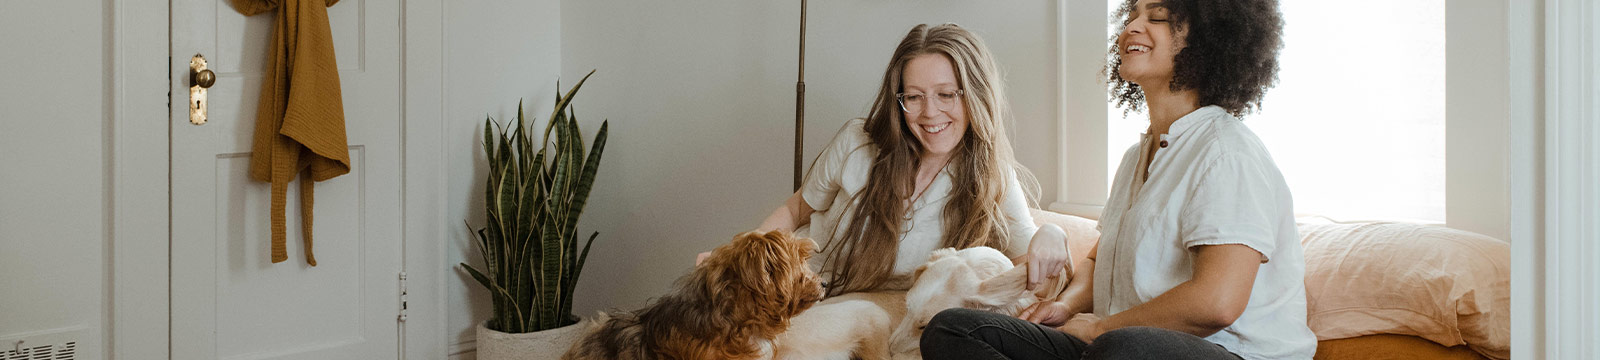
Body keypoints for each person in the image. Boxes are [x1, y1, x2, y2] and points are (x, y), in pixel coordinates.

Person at [920, 0, 1315, 359]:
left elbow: (1218, 301)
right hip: (1113, 347)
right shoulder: (1136, 157)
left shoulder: (1227, 152)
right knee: (953, 329)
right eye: (1132, 16)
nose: (1132, 28)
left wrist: (1100, 326)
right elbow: (1098, 257)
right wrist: (1068, 306)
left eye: (1157, 17)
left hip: (1223, 353)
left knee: (1124, 347)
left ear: (1210, 41)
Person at [698, 23, 1071, 296]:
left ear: (974, 95)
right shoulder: (857, 141)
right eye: (914, 96)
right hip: (796, 291)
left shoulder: (992, 176)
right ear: (899, 99)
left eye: (946, 95)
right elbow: (797, 211)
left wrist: (1053, 233)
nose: (930, 113)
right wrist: (735, 257)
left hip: (872, 314)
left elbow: (1030, 267)